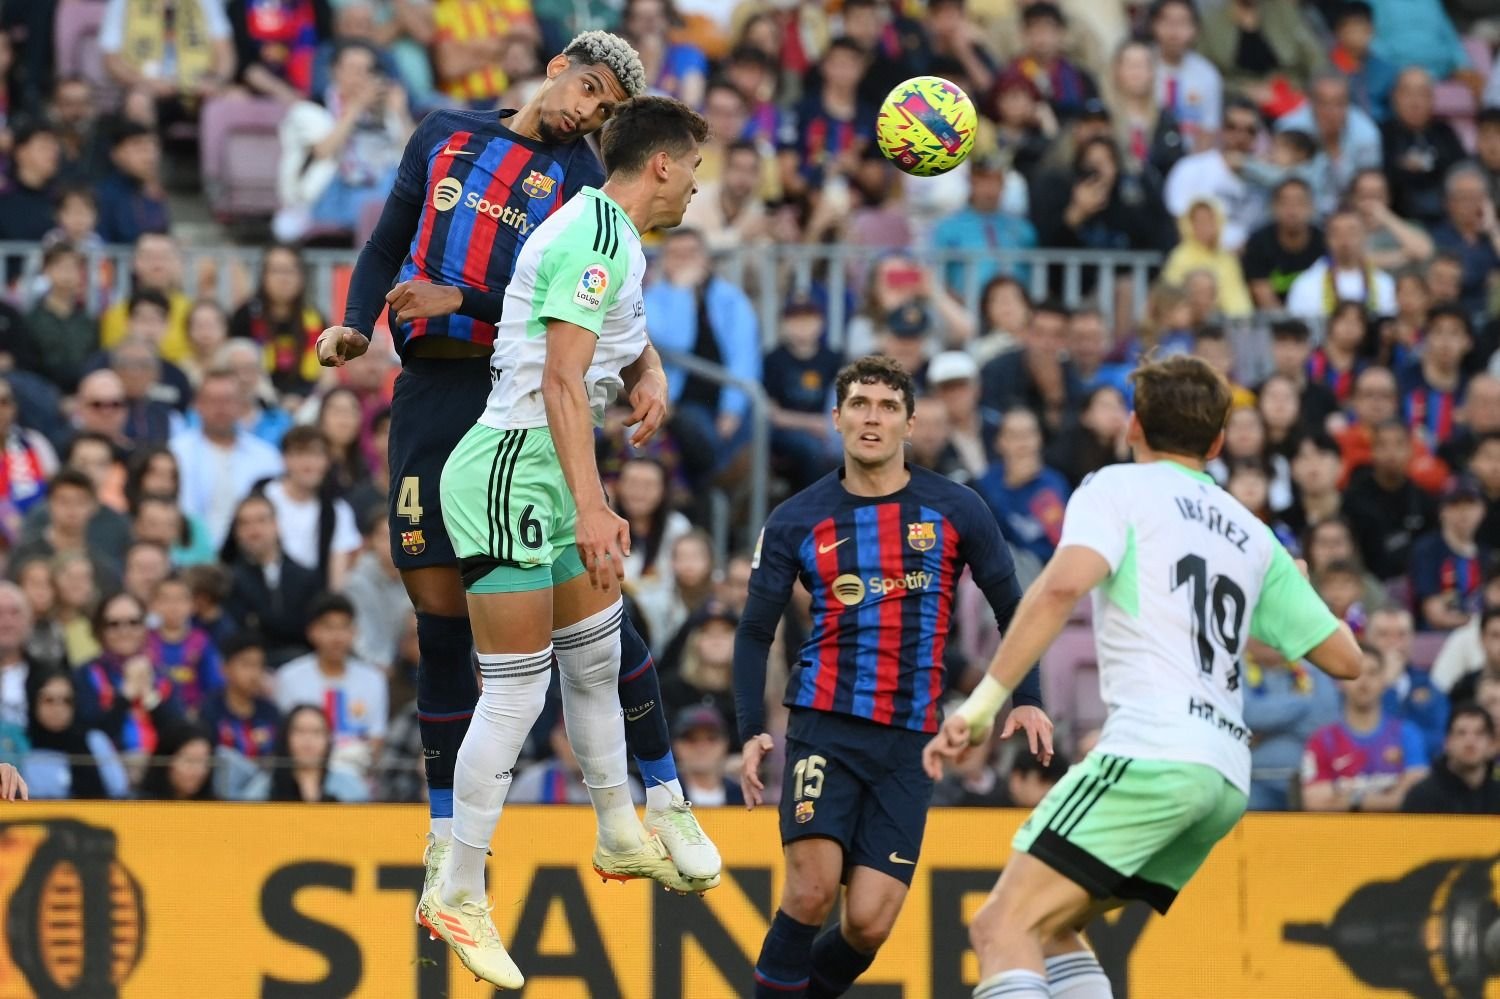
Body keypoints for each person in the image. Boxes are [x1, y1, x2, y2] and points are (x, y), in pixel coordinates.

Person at [316, 34, 692, 897]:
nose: (586, 114)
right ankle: (448, 838)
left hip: (516, 404)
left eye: (603, 113)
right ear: (560, 63)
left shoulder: (582, 185)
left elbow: (578, 302)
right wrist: (355, 321)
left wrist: (645, 363)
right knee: (440, 618)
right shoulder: (444, 132)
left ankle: (662, 789)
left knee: (584, 610)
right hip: (428, 393)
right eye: (588, 91)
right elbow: (386, 241)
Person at [925, 354, 1361, 999]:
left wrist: (982, 705)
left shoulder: (1116, 487)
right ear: (1216, 443)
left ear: (1132, 426)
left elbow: (1060, 587)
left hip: (1155, 751)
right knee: (1052, 926)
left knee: (998, 926)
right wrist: (1292, 587)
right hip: (1222, 777)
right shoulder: (1253, 534)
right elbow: (1347, 659)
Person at [420, 95, 718, 988]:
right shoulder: (595, 235)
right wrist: (594, 506)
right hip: (515, 462)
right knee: (516, 691)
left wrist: (650, 365)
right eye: (695, 168)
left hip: (544, 465)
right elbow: (557, 381)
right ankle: (458, 889)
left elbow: (603, 345)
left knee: (593, 654)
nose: (700, 187)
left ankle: (620, 830)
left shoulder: (609, 235)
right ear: (660, 164)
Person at [735, 356, 1052, 999]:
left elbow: (1015, 607)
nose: (871, 418)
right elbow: (753, 631)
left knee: (869, 923)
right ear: (837, 418)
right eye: (859, 405)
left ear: (909, 423)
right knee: (811, 889)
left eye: (886, 407)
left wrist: (1030, 696)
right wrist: (749, 730)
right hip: (826, 725)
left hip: (911, 741)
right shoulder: (798, 518)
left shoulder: (956, 508)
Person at [274, 593, 387, 782]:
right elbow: (285, 739)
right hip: (302, 778)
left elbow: (376, 739)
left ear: (354, 632)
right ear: (312, 631)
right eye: (328, 627)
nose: (337, 637)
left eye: (344, 627)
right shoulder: (289, 677)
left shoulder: (374, 679)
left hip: (356, 778)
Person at [1301, 645, 1430, 811]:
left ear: (1384, 679)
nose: (1364, 681)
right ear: (1340, 681)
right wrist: (1389, 797)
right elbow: (1314, 802)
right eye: (1356, 673)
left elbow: (1418, 797)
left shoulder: (1407, 734)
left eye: (1372, 673)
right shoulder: (1322, 740)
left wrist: (1348, 799)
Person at [1400, 704, 1500, 814]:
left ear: (1492, 744)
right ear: (1447, 743)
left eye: (1479, 733)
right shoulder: (1421, 798)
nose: (1470, 741)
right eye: (1461, 733)